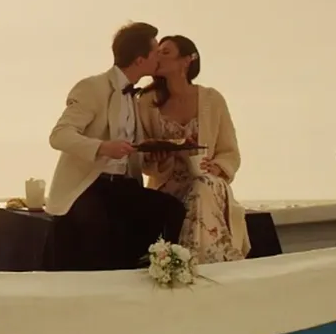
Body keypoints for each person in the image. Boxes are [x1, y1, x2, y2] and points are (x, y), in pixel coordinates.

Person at [46, 21, 187, 271]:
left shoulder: (136, 97)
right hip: (90, 185)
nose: (159, 58)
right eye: (156, 52)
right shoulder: (93, 87)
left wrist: (153, 153)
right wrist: (102, 147)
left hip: (123, 185)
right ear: (140, 60)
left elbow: (130, 151)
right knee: (99, 231)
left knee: (171, 209)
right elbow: (59, 136)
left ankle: (157, 273)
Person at [138, 35, 250, 263]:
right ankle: (202, 265)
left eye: (166, 52)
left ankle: (198, 262)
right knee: (192, 191)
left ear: (186, 60)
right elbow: (142, 155)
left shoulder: (212, 99)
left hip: (208, 182)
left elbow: (230, 151)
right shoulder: (146, 102)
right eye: (157, 52)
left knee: (202, 185)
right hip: (166, 184)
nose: (158, 57)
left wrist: (217, 167)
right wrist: (159, 159)